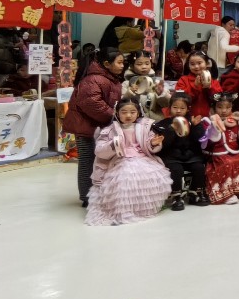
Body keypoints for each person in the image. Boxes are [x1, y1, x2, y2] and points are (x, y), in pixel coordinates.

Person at [84, 98, 171, 226]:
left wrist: (152, 143)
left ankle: (141, 209)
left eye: (132, 112)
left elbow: (147, 144)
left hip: (141, 157)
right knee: (124, 179)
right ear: (117, 113)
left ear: (138, 113)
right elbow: (100, 149)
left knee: (149, 177)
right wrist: (113, 145)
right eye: (124, 112)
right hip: (120, 159)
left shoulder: (145, 127)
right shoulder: (110, 130)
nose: (128, 115)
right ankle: (123, 210)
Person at [63, 48, 125, 208]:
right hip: (87, 128)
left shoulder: (110, 78)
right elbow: (92, 104)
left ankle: (99, 193)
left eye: (123, 62)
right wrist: (114, 115)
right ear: (107, 64)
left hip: (99, 127)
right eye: (119, 62)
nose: (122, 65)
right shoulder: (93, 80)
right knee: (88, 161)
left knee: (99, 161)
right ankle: (86, 196)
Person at [152, 93, 210, 210]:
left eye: (182, 108)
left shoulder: (193, 121)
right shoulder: (163, 124)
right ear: (169, 108)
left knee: (199, 167)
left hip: (191, 155)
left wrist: (195, 127)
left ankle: (196, 192)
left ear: (188, 109)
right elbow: (164, 145)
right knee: (176, 170)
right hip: (172, 156)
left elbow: (200, 140)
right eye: (175, 107)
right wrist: (171, 130)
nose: (178, 111)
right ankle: (176, 196)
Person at [202, 92, 239, 205]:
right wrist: (214, 128)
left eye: (228, 107)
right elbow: (207, 140)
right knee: (227, 162)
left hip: (233, 152)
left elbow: (238, 136)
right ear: (214, 108)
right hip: (216, 155)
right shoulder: (208, 121)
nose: (224, 111)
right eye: (220, 107)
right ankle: (226, 193)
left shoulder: (234, 120)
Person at [121, 50, 170, 122]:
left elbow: (166, 104)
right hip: (135, 122)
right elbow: (121, 104)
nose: (144, 67)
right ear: (132, 66)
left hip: (155, 121)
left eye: (147, 63)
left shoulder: (156, 82)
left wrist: (161, 93)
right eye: (139, 64)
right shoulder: (127, 84)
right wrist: (130, 93)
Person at [174, 51, 222, 119]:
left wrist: (210, 87)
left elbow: (218, 98)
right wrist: (195, 87)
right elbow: (180, 99)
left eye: (199, 63)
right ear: (188, 65)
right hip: (187, 117)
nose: (196, 66)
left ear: (206, 63)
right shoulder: (183, 80)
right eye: (192, 64)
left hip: (207, 117)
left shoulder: (213, 81)